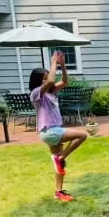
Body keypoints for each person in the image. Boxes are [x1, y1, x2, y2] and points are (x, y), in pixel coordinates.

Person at [29, 51, 87, 202]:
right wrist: (53, 62)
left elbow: (65, 81)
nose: (46, 81)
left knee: (58, 164)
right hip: (50, 130)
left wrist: (62, 66)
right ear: (36, 81)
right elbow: (49, 82)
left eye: (46, 77)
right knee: (82, 135)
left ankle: (59, 191)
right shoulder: (36, 93)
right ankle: (61, 157)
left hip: (53, 130)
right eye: (42, 78)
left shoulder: (51, 92)